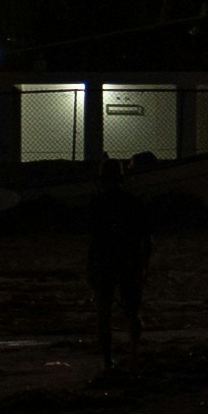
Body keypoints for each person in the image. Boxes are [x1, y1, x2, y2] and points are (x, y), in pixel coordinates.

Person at [83, 149, 155, 361]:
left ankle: (107, 359)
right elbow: (146, 239)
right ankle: (134, 352)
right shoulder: (133, 203)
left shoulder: (97, 204)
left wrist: (90, 266)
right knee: (131, 310)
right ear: (122, 179)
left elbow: (92, 239)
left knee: (104, 313)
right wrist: (144, 266)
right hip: (128, 260)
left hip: (104, 261)